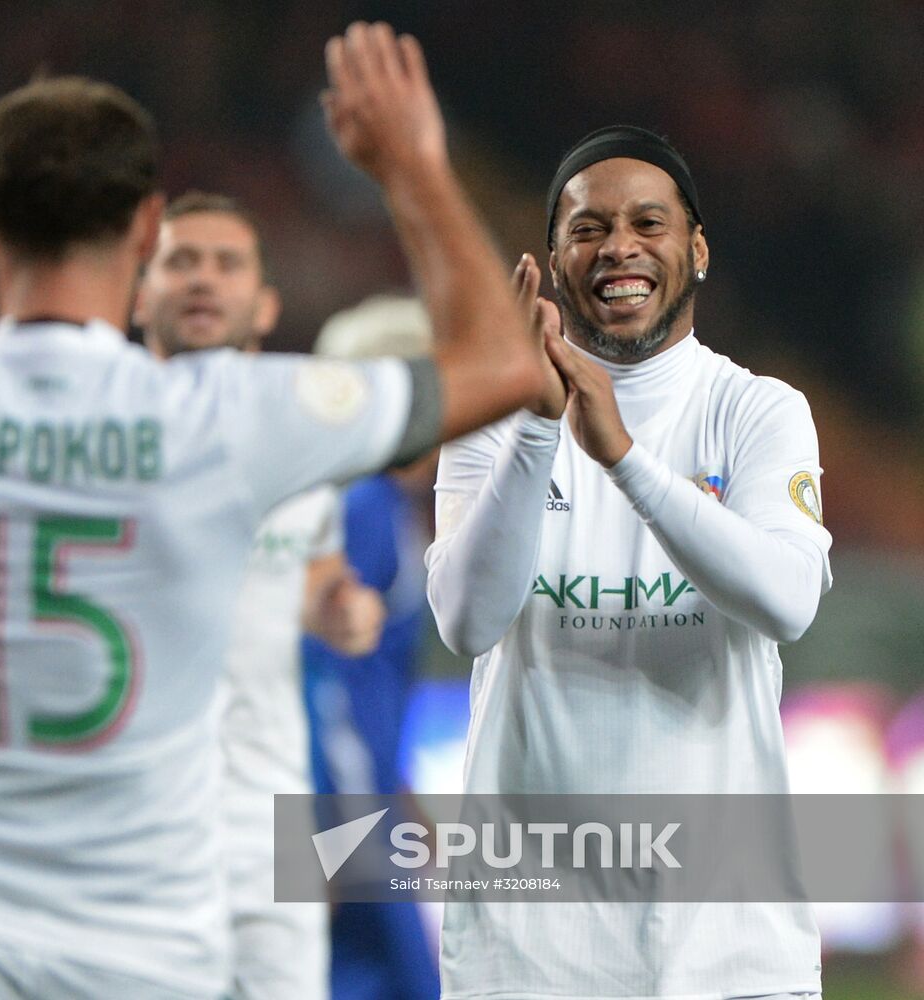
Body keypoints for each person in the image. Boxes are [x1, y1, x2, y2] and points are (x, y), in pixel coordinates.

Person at [0, 28, 544, 998]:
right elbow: (502, 364)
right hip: (138, 952)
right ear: (147, 231)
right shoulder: (221, 418)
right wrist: (411, 167)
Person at [426, 125, 832, 998]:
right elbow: (466, 621)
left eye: (649, 222)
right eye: (588, 227)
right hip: (527, 955)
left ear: (697, 249)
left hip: (730, 950)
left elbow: (789, 600)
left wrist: (626, 462)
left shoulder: (758, 411)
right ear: (553, 259)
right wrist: (537, 429)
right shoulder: (489, 417)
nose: (619, 245)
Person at [134, 191, 387, 1000]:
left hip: (269, 828)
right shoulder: (100, 434)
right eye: (182, 260)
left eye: (227, 262)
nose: (204, 279)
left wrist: (342, 607)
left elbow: (314, 576)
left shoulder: (304, 440)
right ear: (142, 293)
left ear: (266, 303)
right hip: (130, 830)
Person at [304, 294, 441, 1000]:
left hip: (362, 796)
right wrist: (343, 824)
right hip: (347, 810)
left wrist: (401, 797)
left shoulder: (379, 505)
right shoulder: (361, 508)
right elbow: (327, 680)